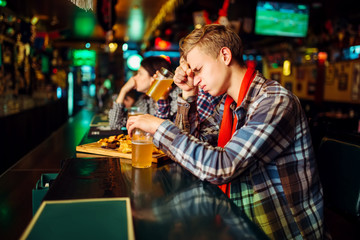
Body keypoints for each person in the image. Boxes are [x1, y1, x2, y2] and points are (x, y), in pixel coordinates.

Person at [127, 24, 325, 239]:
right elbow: (192, 149)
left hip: (281, 232)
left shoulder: (274, 101)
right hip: (238, 220)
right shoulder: (228, 104)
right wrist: (188, 95)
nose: (194, 77)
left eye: (198, 69)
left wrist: (158, 126)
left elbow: (221, 166)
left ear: (224, 55)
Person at [108, 56, 180, 130]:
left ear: (155, 76)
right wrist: (123, 90)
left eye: (140, 74)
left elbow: (164, 132)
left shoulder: (177, 98)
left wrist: (162, 100)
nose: (134, 78)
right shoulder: (145, 101)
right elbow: (115, 125)